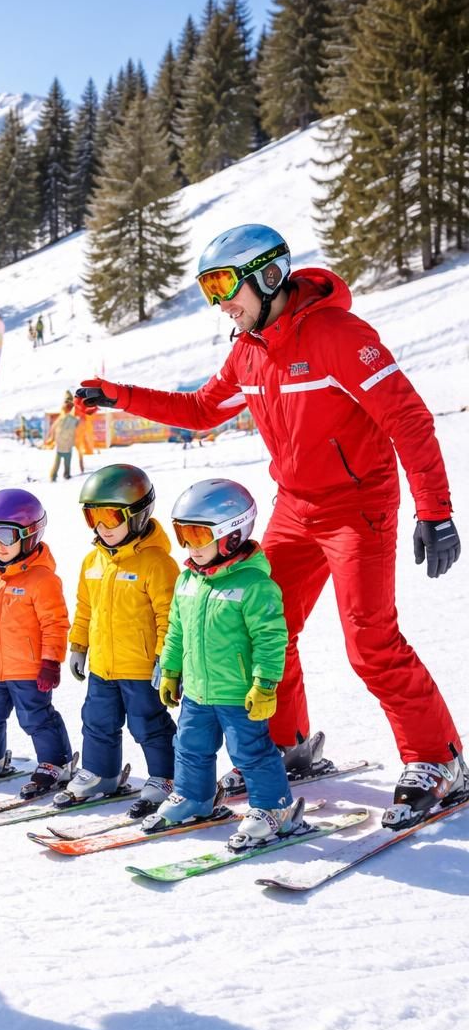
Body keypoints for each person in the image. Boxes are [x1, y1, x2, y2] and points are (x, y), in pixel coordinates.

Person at [77, 222, 466, 827]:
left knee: (371, 643)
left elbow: (409, 419)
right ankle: (286, 745)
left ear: (267, 275)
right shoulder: (248, 348)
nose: (219, 302)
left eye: (224, 285)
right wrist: (117, 395)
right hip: (295, 505)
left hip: (358, 507)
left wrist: (435, 510)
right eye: (209, 288)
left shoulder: (339, 335)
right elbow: (203, 411)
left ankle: (437, 759)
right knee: (261, 628)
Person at [149, 478, 296, 850]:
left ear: (231, 534)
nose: (189, 547)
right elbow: (176, 632)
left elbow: (271, 639)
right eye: (183, 535)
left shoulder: (255, 585)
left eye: (198, 536)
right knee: (190, 746)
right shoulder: (187, 581)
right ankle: (193, 796)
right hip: (197, 691)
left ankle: (272, 807)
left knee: (250, 752)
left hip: (238, 693)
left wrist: (264, 685)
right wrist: (170, 670)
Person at [58, 465, 178, 812]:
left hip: (142, 668)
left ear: (138, 515)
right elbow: (85, 608)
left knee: (149, 724)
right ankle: (99, 773)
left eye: (110, 517)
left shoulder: (157, 564)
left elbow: (170, 617)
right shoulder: (92, 561)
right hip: (103, 666)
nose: (101, 527)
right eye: (92, 517)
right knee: (96, 721)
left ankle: (166, 776)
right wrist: (79, 645)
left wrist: (164, 658)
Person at [0, 488, 74, 800]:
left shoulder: (42, 580)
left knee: (36, 718)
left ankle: (55, 763)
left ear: (30, 534)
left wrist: (50, 662)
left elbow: (55, 623)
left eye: (7, 536)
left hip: (29, 669)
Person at [47, 397, 79, 482]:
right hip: (67, 444)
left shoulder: (61, 418)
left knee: (58, 461)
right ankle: (66, 474)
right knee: (67, 461)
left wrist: (52, 438)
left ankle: (54, 476)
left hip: (61, 444)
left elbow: (53, 428)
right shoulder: (73, 419)